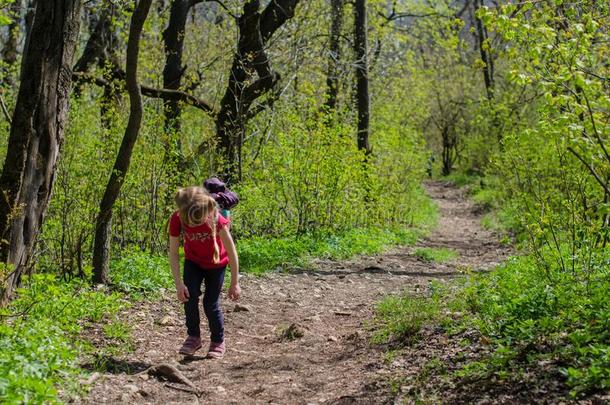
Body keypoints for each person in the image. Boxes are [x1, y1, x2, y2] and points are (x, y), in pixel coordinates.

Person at [168, 186, 241, 358]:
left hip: (217, 264)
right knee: (189, 296)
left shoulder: (216, 218)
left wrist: (235, 282)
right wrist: (179, 284)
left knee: (210, 303)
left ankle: (217, 340)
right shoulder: (177, 218)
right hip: (193, 262)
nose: (194, 225)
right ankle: (194, 337)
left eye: (198, 220)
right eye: (191, 223)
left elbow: (232, 252)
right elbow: (173, 253)